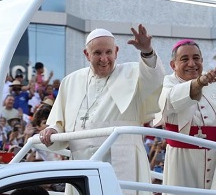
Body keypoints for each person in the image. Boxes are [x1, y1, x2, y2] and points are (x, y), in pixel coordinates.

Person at [39, 24, 164, 182]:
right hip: (81, 164)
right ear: (87, 54)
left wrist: (147, 51)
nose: (104, 59)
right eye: (97, 53)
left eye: (108, 52)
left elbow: (155, 80)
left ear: (116, 51)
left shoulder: (132, 73)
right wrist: (52, 130)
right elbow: (59, 123)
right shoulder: (70, 81)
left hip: (123, 163)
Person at [154, 39, 216, 192]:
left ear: (202, 60)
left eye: (196, 58)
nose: (191, 63)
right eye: (184, 59)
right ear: (173, 65)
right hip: (182, 163)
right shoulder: (166, 84)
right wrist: (199, 83)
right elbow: (170, 102)